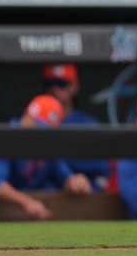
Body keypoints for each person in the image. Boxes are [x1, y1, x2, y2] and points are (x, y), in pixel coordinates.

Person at [0, 95, 92, 221]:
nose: (40, 133)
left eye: (45, 130)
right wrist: (26, 203)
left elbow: (64, 176)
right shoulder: (6, 138)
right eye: (36, 125)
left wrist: (76, 182)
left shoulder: (46, 144)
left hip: (35, 216)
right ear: (26, 117)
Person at [43, 64, 110, 192]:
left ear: (74, 86)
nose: (54, 89)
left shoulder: (89, 124)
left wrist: (89, 187)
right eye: (49, 84)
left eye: (61, 83)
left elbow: (101, 172)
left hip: (83, 195)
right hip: (47, 196)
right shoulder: (37, 122)